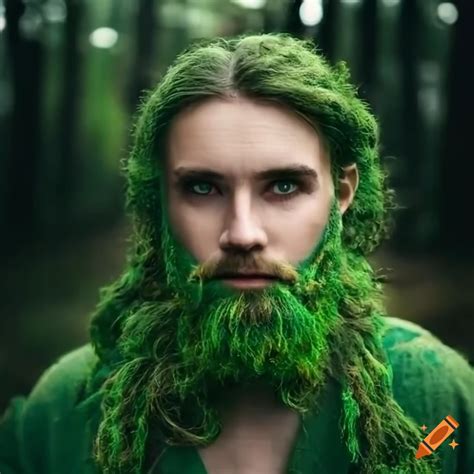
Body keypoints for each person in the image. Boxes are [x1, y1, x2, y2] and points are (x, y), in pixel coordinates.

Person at [0, 33, 473, 474]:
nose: (243, 233)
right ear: (160, 200)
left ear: (341, 192)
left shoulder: (435, 398)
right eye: (202, 187)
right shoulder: (60, 417)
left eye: (284, 185)